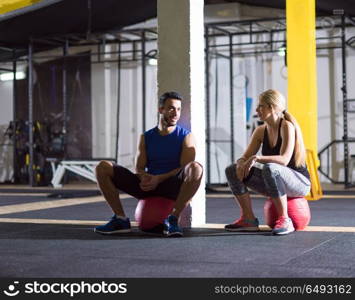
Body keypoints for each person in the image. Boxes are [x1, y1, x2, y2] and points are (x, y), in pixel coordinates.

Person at [94, 91, 203, 237]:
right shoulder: (146, 137)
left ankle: (173, 220)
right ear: (160, 110)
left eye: (178, 109)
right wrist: (144, 176)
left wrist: (159, 178)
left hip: (171, 185)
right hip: (148, 185)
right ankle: (120, 219)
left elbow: (184, 168)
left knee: (195, 168)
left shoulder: (186, 136)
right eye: (171, 108)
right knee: (103, 167)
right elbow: (139, 167)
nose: (175, 113)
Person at [224, 89, 311, 235]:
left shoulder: (286, 127)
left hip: (299, 183)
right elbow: (244, 157)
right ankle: (248, 219)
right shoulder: (260, 131)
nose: (257, 110)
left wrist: (257, 158)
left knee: (271, 168)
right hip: (275, 181)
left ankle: (285, 219)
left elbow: (283, 160)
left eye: (261, 106)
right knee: (231, 170)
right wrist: (240, 163)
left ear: (271, 107)